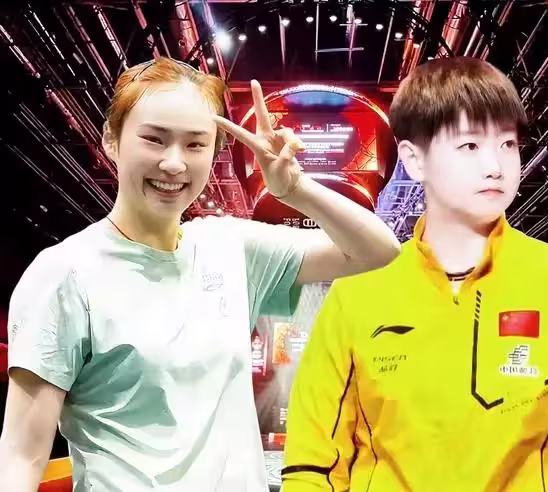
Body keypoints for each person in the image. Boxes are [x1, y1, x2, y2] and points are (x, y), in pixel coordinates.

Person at [0, 57, 401, 492]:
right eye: (154, 139)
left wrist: (295, 189)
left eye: (195, 145)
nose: (174, 163)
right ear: (111, 140)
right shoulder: (64, 274)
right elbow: (23, 453)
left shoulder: (231, 246)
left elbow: (378, 251)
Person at [281, 57, 548, 491]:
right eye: (470, 146)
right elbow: (313, 463)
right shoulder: (356, 294)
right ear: (414, 159)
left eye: (507, 144)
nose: (496, 166)